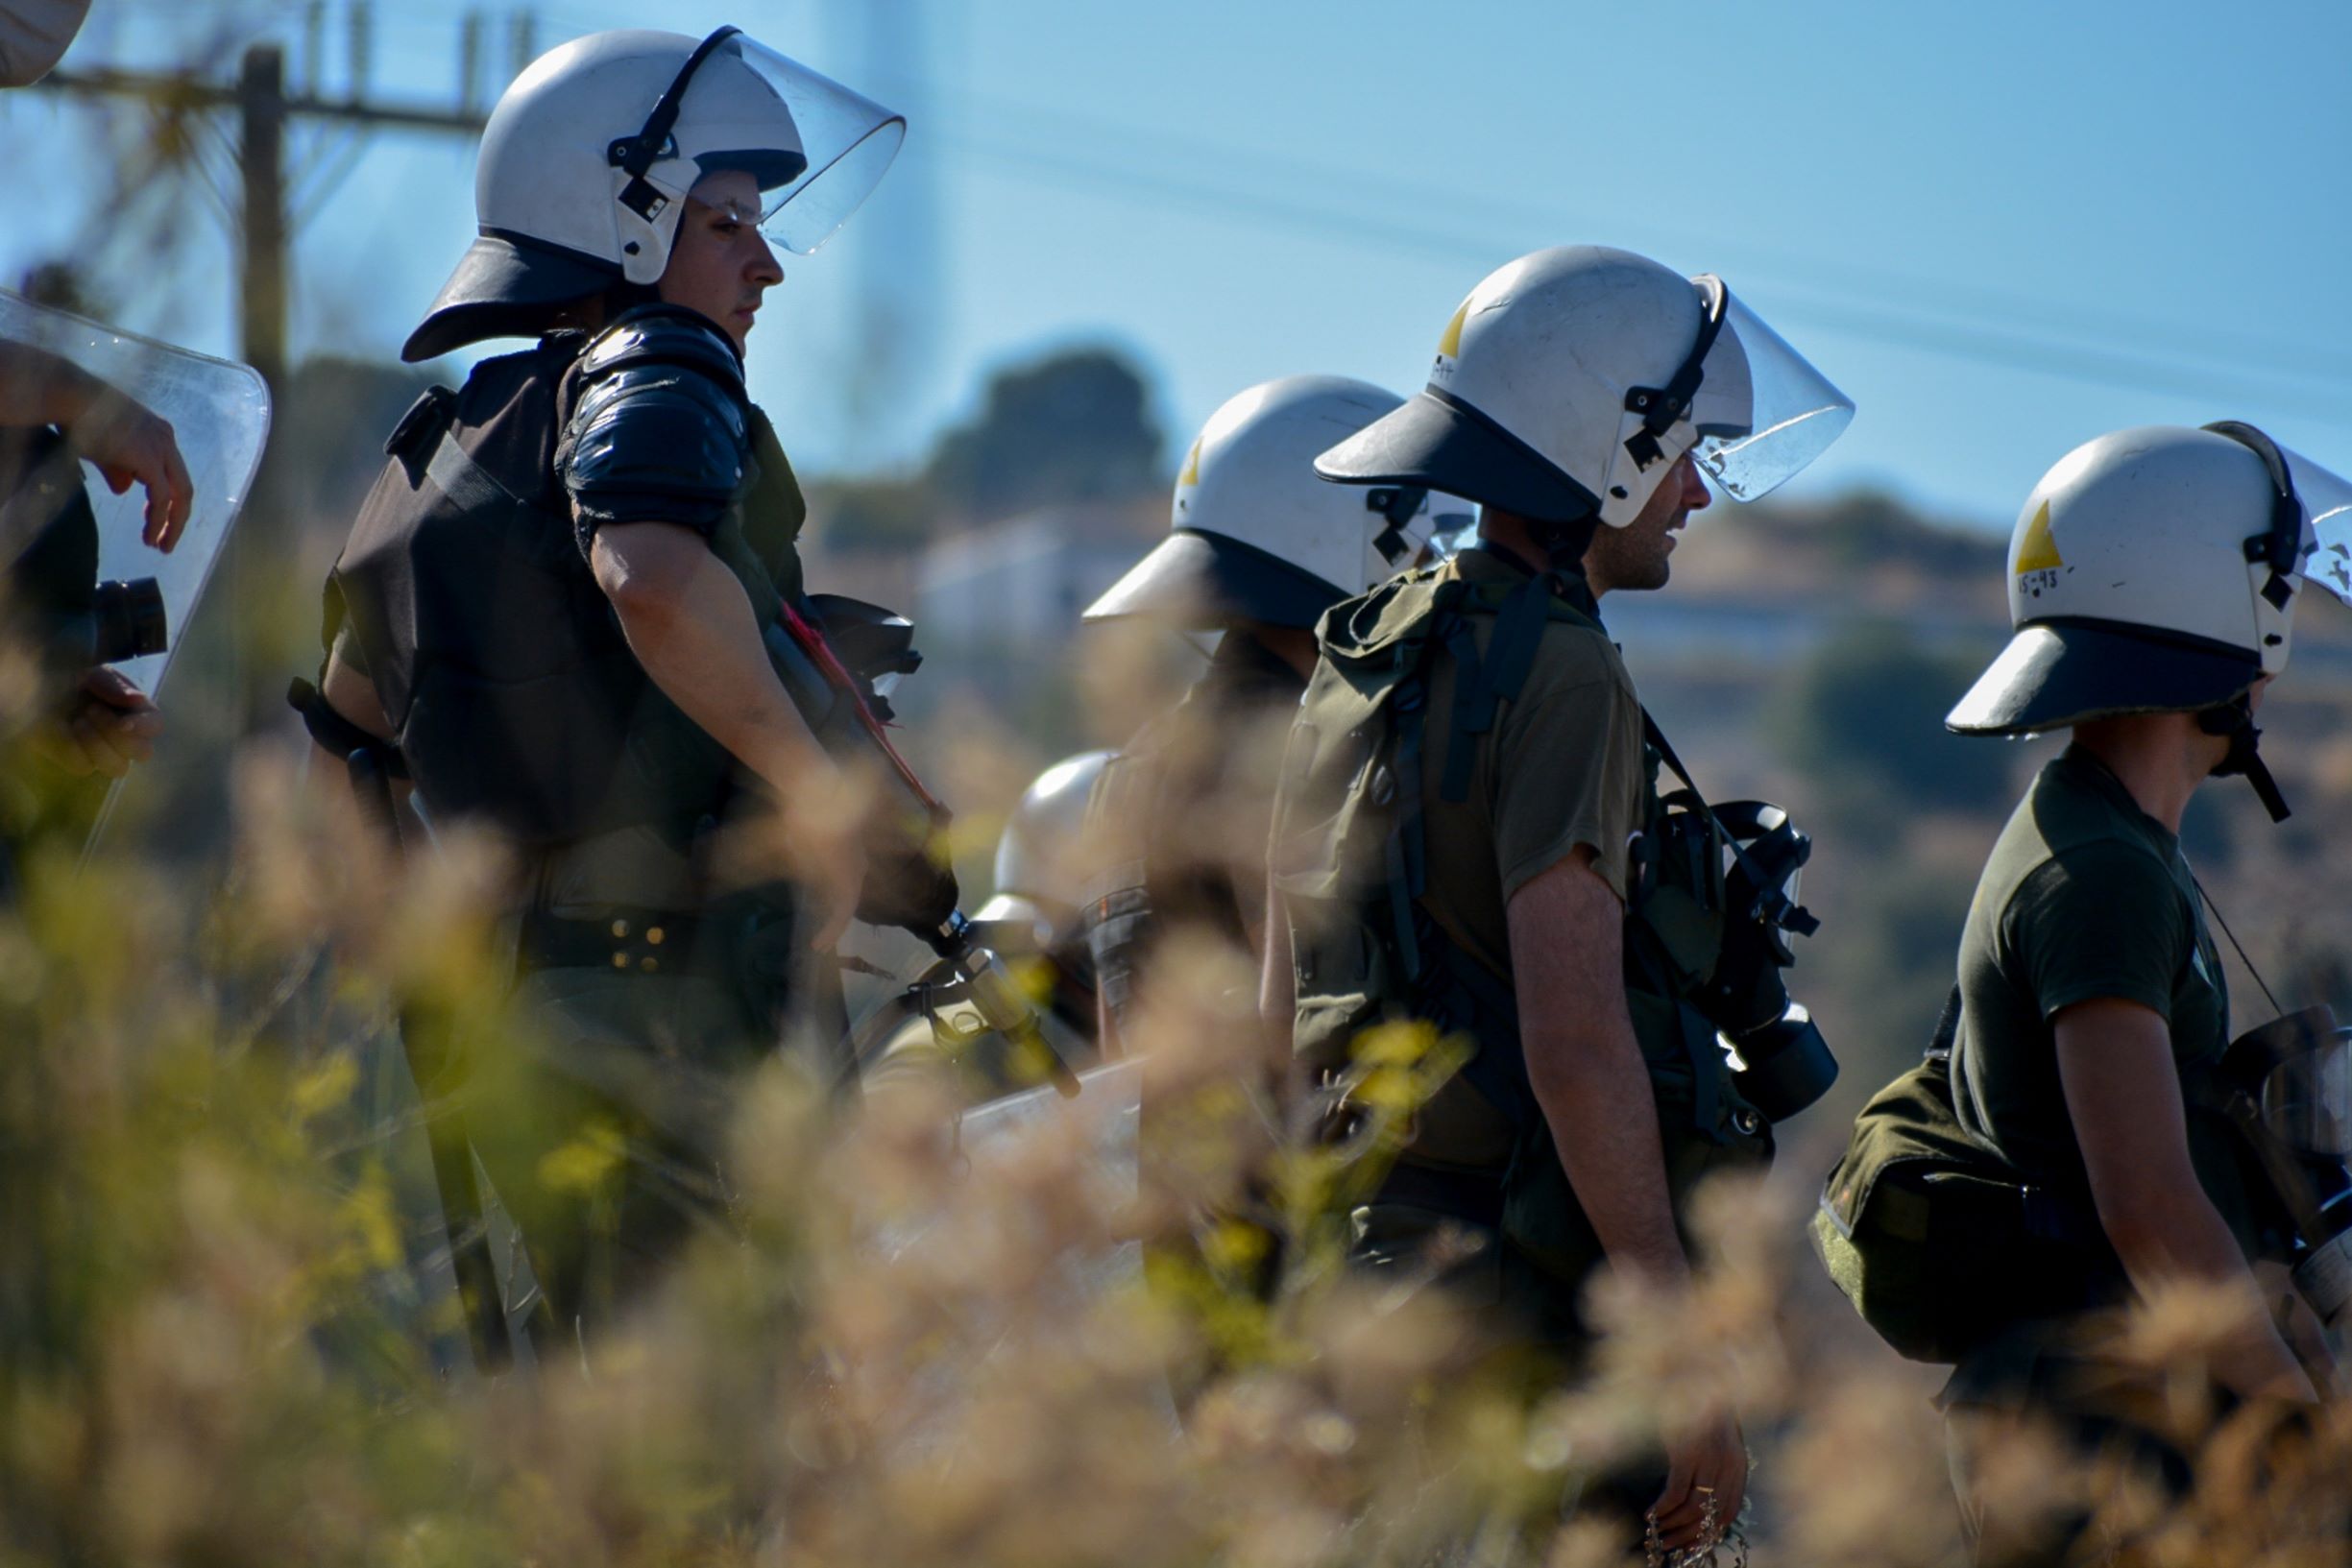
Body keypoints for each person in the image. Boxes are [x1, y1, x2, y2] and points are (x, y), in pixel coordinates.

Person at [293, 27, 934, 1349]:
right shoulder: (658, 365)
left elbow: (346, 747)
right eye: (726, 222)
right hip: (681, 1028)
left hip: (540, 1038)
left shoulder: (437, 447)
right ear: (623, 216)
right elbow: (643, 572)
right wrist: (829, 805)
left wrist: (452, 986)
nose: (763, 262)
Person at [1266, 245, 1854, 1556]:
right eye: (1688, 451)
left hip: (1371, 1274)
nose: (1698, 490)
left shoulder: (1366, 647)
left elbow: (1275, 1000)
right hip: (1526, 1307)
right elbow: (1578, 1040)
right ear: (1613, 449)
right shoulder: (1568, 673)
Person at [1930, 423, 2348, 1563]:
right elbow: (2146, 1201)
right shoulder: (2103, 872)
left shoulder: (2109, 838)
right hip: (2102, 1424)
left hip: (2110, 1397)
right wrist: (2301, 1429)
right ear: (2231, 610)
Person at [1082, 375, 1462, 1056]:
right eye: (1424, 548)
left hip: (1165, 1155)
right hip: (1281, 1154)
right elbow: (1303, 1026)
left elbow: (1120, 1052)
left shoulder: (1135, 765)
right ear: (1358, 534)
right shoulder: (1290, 750)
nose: (1431, 576)